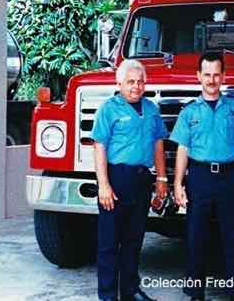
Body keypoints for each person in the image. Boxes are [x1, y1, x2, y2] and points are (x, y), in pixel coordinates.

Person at [171, 52, 234, 301]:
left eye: (216, 74)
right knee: (196, 235)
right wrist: (178, 183)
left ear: (223, 76)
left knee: (233, 235)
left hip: (229, 177)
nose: (212, 79)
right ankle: (196, 292)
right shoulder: (189, 112)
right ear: (199, 77)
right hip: (200, 178)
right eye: (207, 74)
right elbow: (182, 149)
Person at [91, 59, 168, 301]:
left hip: (142, 179)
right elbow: (99, 146)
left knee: (134, 240)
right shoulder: (109, 109)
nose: (136, 86)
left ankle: (130, 291)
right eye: (130, 82)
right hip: (117, 179)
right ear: (119, 83)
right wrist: (103, 184)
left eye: (140, 81)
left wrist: (161, 179)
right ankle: (107, 296)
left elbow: (158, 143)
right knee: (109, 243)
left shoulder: (151, 108)